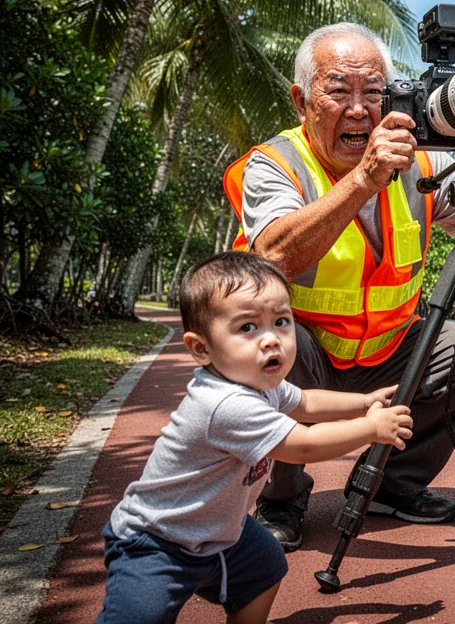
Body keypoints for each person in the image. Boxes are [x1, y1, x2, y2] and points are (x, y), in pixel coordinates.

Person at [222, 22, 455, 551]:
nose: (359, 109)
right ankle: (282, 495)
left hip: (389, 356)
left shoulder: (418, 162)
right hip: (308, 357)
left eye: (374, 93)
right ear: (302, 101)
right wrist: (363, 179)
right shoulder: (275, 163)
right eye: (339, 91)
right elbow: (274, 256)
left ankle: (394, 484)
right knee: (265, 343)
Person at [95, 252, 412, 623]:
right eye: (248, 328)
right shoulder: (225, 403)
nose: (270, 340)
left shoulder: (262, 385)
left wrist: (363, 403)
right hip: (157, 542)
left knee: (264, 565)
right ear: (201, 348)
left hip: (221, 534)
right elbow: (301, 445)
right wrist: (371, 428)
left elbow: (306, 402)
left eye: (281, 322)